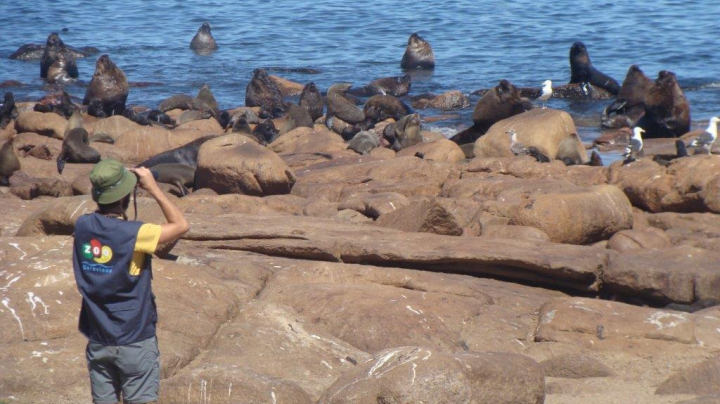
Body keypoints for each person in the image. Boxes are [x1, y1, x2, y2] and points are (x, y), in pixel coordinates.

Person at [72, 159, 189, 404]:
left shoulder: (82, 226)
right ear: (126, 196)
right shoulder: (136, 234)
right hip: (134, 338)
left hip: (98, 337)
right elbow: (181, 225)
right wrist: (154, 188)